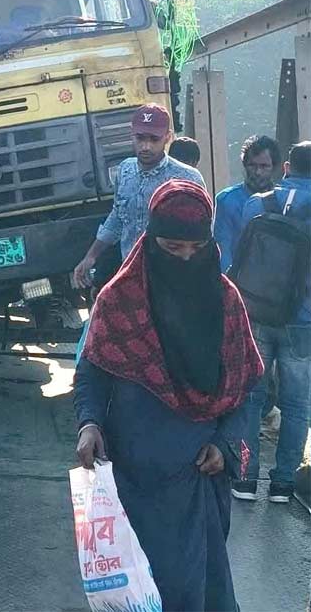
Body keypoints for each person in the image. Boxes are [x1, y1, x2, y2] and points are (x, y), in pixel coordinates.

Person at [74, 180, 263, 611]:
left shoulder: (226, 301)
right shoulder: (119, 299)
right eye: (172, 247)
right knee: (137, 591)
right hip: (132, 477)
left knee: (194, 591)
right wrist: (88, 423)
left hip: (198, 474)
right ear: (150, 239)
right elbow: (91, 372)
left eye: (195, 250)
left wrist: (227, 443)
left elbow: (245, 387)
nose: (184, 258)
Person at [231, 141, 311, 504]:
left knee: (251, 399)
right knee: (297, 404)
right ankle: (282, 485)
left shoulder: (257, 204)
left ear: (286, 168)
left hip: (258, 313)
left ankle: (245, 479)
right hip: (303, 321)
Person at [72, 103, 204, 288]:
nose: (146, 146)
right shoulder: (125, 171)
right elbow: (118, 217)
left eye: (154, 139)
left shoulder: (187, 177)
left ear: (168, 137)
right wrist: (91, 256)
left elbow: (202, 234)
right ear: (131, 135)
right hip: (132, 278)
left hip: (173, 280)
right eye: (140, 138)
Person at [214, 135, 281, 273]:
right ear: (245, 165)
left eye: (264, 166)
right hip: (240, 282)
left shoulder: (284, 200)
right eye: (252, 165)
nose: (257, 172)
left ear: (274, 167)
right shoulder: (227, 200)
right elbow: (222, 250)